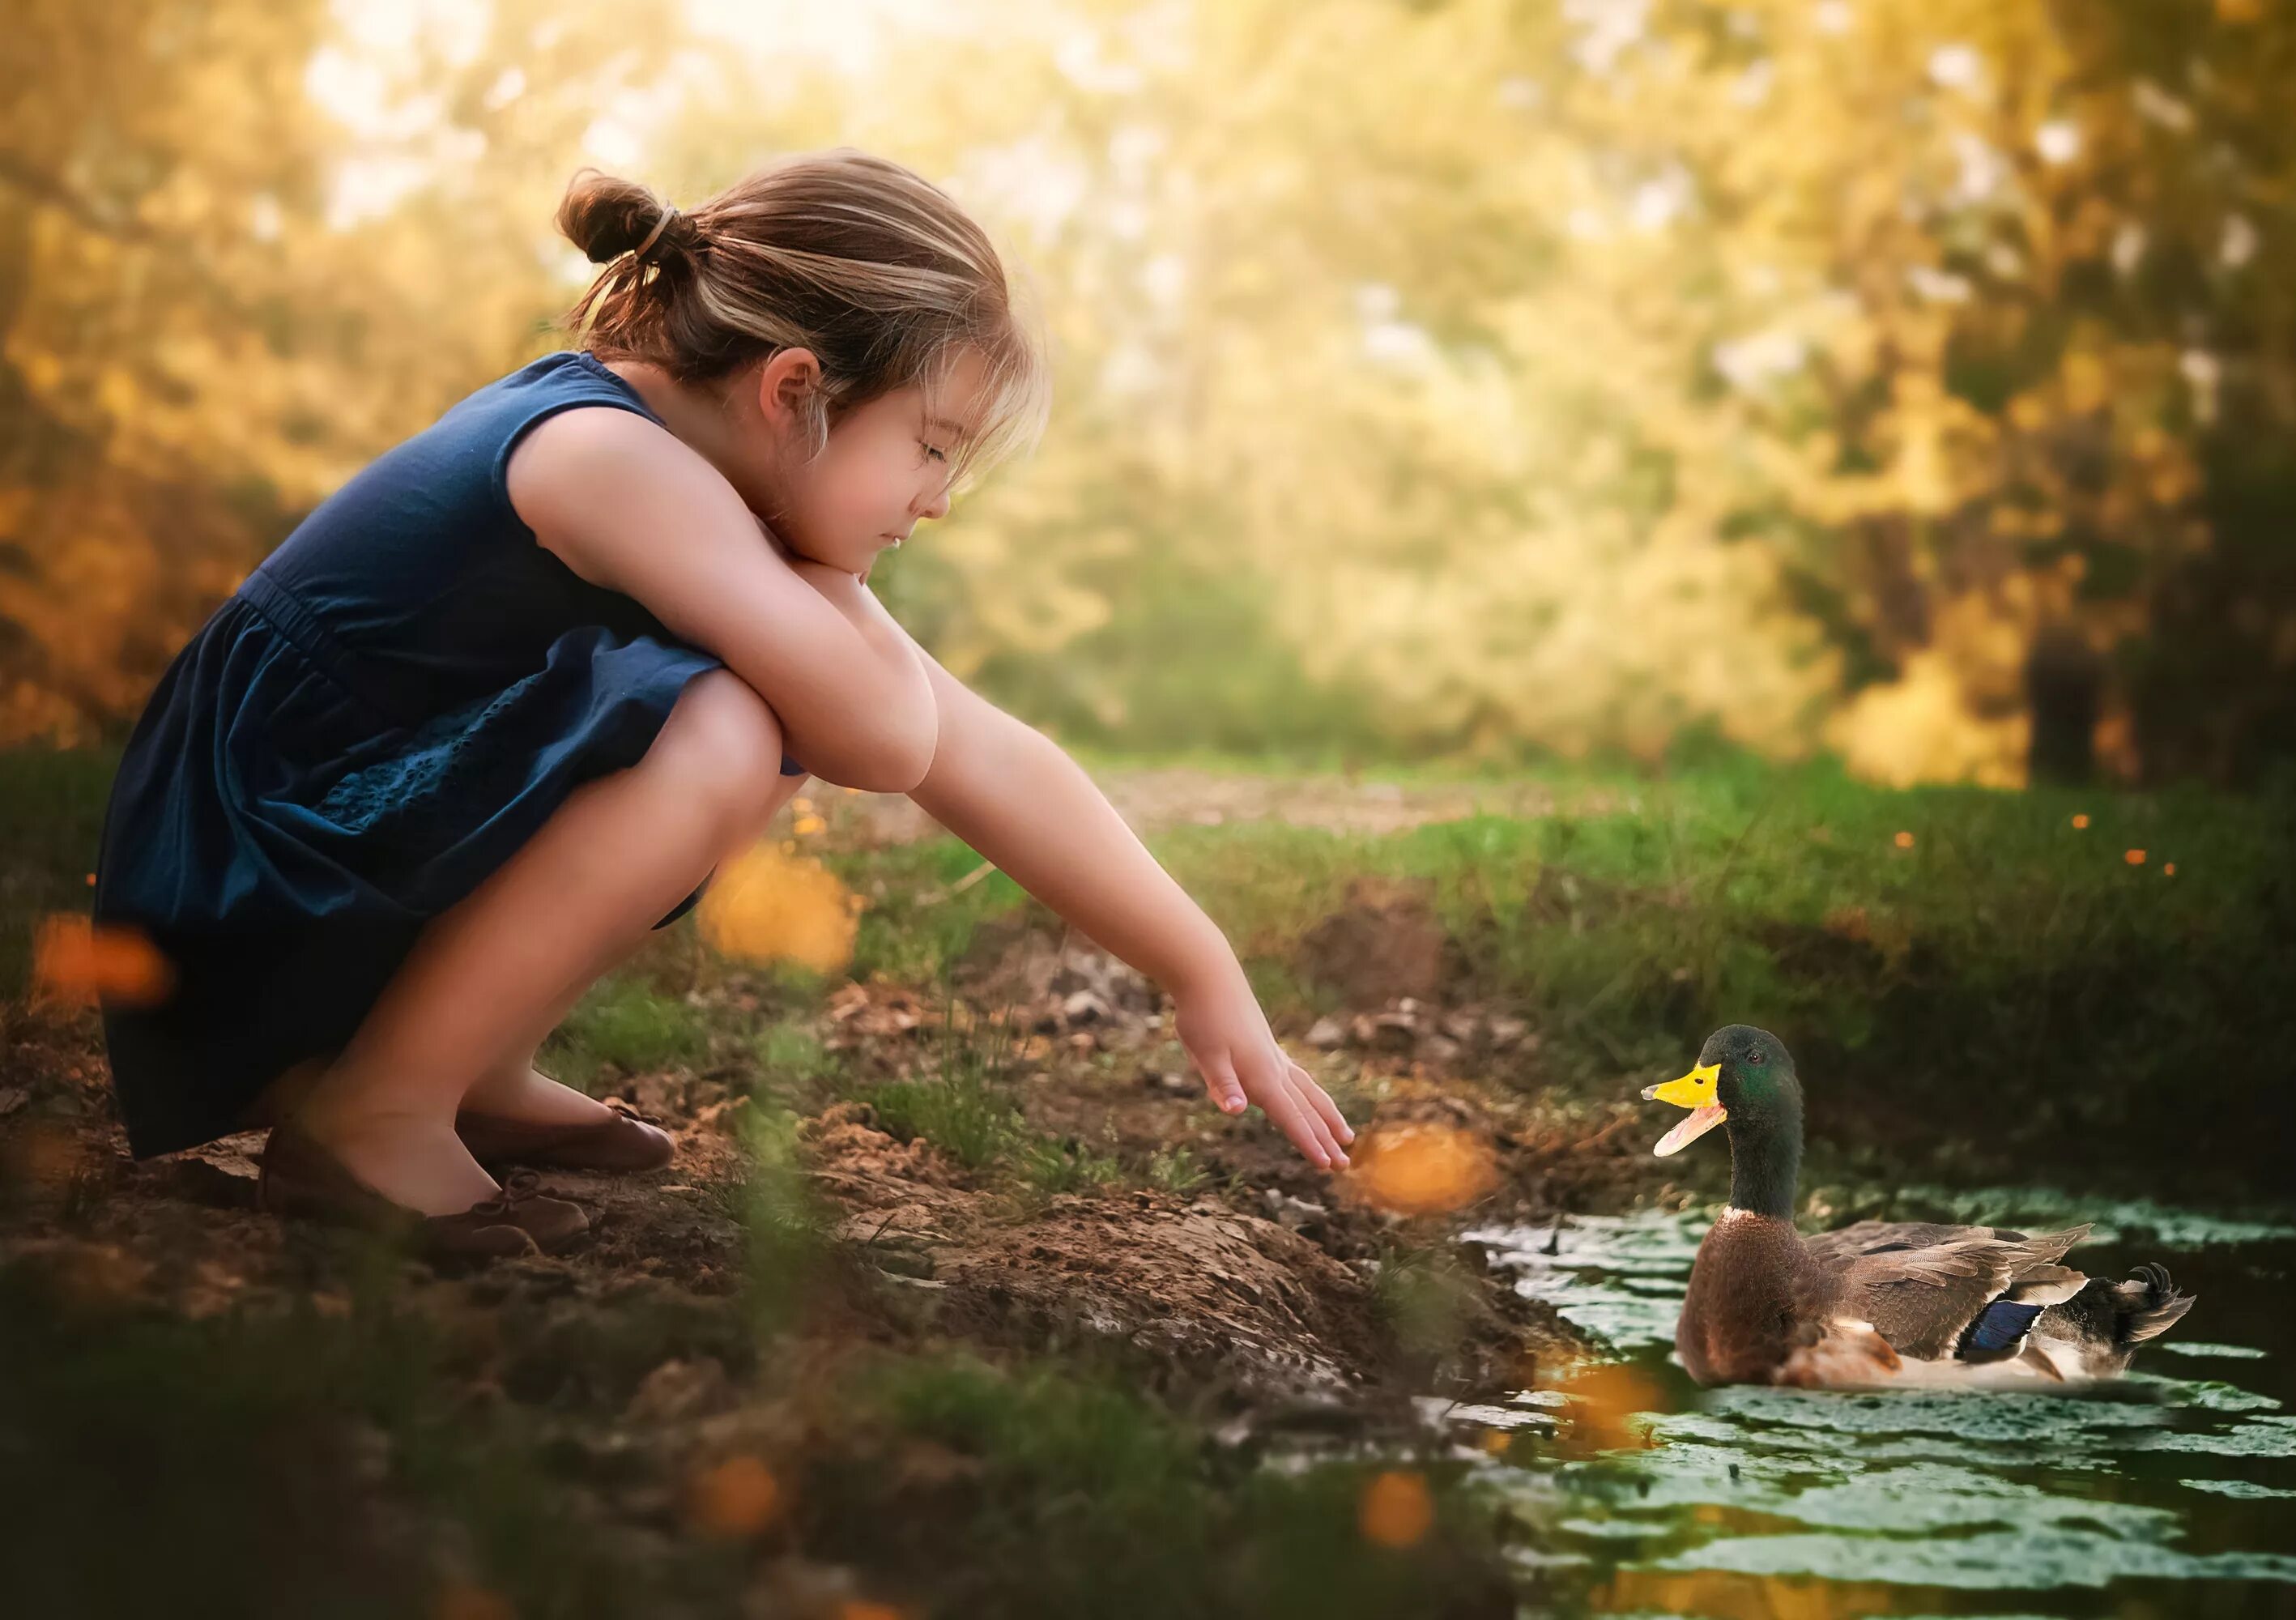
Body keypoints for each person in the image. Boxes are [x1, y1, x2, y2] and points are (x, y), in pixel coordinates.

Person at [92, 150, 1353, 1257]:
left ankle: (464, 1065)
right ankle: (373, 1114)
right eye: (930, 446)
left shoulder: (707, 485)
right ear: (794, 389)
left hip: (339, 827)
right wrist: (833, 605)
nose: (940, 499)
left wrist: (1198, 965)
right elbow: (881, 733)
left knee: (753, 700)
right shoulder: (610, 460)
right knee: (731, 725)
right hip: (258, 847)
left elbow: (979, 750)